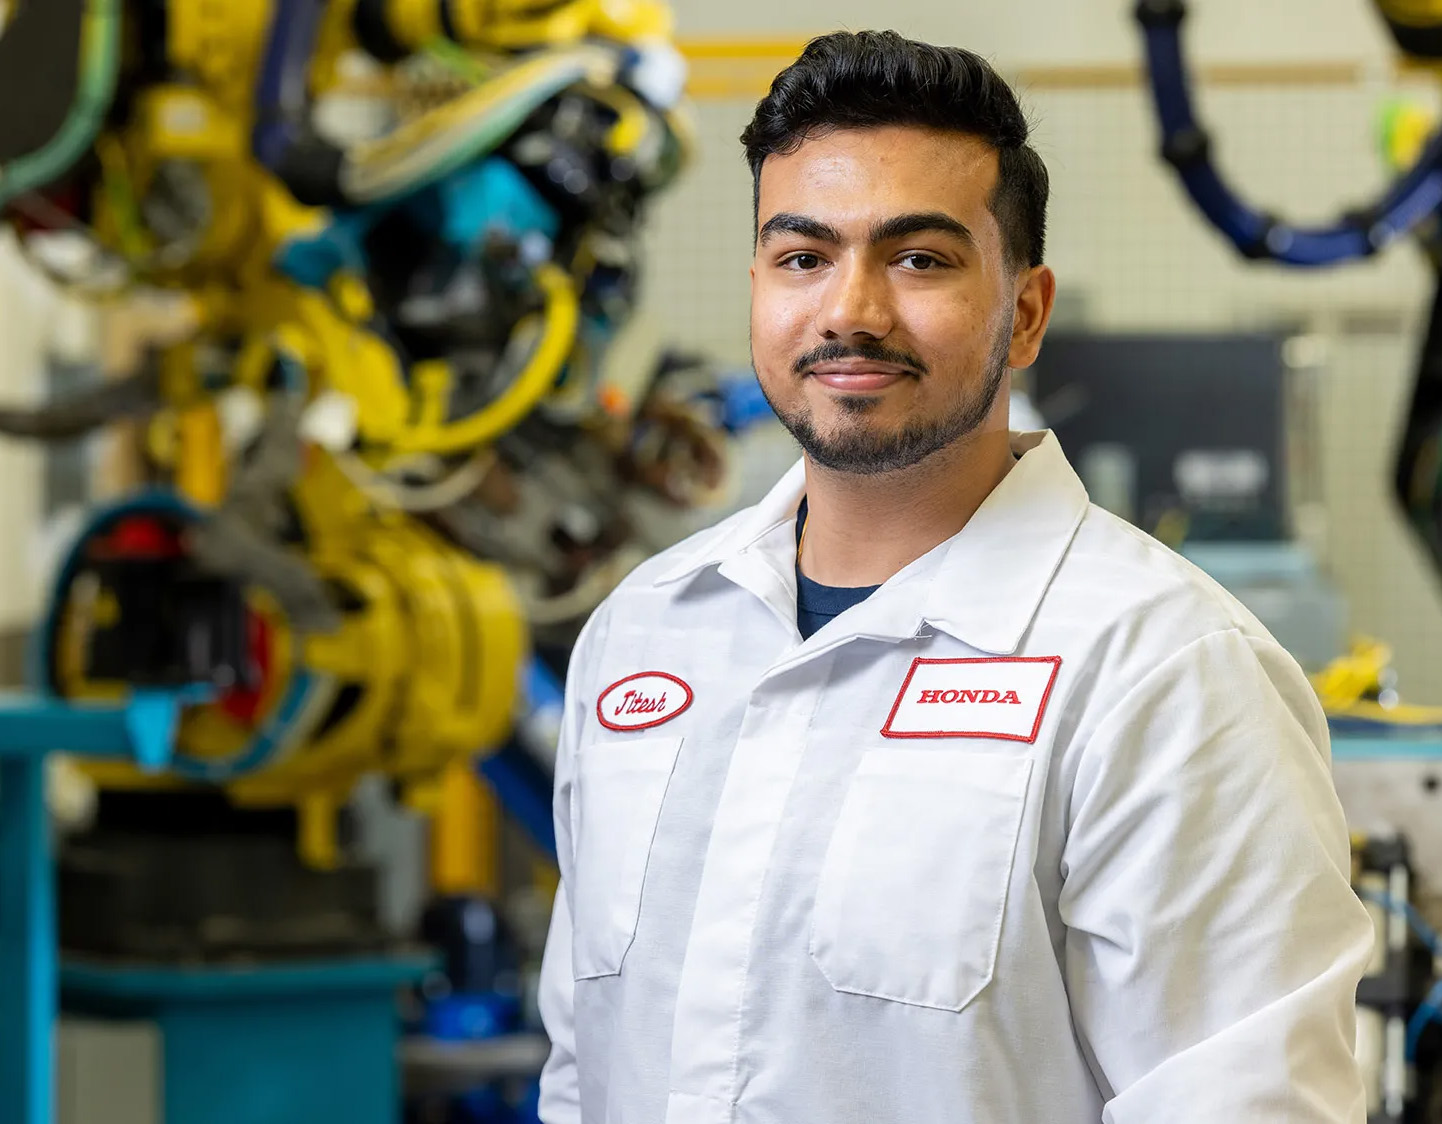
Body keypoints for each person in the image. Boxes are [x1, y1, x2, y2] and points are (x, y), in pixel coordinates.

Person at [536, 30, 1372, 1124]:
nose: (850, 310)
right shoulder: (643, 633)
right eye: (802, 257)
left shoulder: (1159, 670)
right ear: (756, 288)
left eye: (918, 258)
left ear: (1024, 312)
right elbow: (582, 1073)